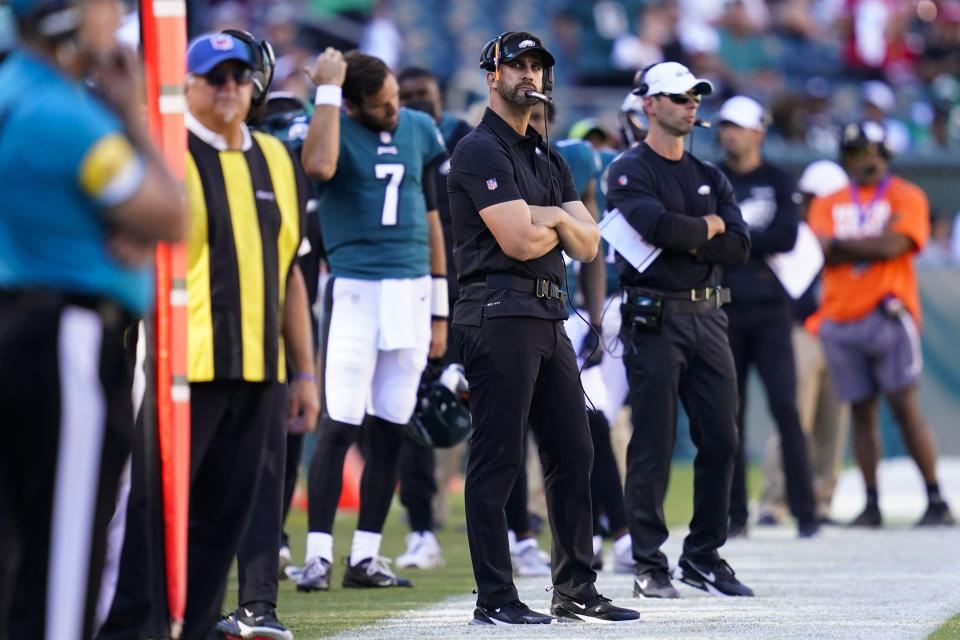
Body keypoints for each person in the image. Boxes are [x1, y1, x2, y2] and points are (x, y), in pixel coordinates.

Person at [98, 31, 318, 640]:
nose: (228, 88)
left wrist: (304, 372)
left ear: (254, 85)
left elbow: (290, 274)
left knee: (225, 522)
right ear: (186, 85)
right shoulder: (163, 154)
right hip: (177, 368)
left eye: (238, 77)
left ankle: (195, 628)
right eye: (213, 77)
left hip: (260, 372)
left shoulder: (277, 158)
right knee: (152, 514)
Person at [0, 1, 185, 638]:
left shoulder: (16, 91)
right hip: (62, 338)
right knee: (64, 567)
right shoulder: (63, 114)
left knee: (22, 557)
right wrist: (131, 113)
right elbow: (170, 214)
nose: (114, 20)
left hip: (28, 330)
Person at [448, 30, 639, 624]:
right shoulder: (479, 149)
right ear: (492, 74)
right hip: (497, 311)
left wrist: (549, 214)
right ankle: (495, 597)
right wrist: (557, 219)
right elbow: (516, 238)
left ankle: (575, 587)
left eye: (537, 66)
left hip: (547, 311)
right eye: (518, 65)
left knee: (575, 448)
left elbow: (587, 245)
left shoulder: (548, 155)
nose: (530, 75)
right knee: (499, 456)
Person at [296, 49, 449, 592]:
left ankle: (365, 556)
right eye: (381, 105)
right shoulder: (328, 123)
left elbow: (431, 215)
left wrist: (439, 308)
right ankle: (316, 556)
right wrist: (329, 95)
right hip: (356, 287)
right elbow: (317, 166)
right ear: (354, 106)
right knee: (339, 423)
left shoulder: (417, 128)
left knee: (390, 426)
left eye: (395, 100)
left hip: (410, 290)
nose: (394, 110)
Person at [605, 61, 754, 599]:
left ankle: (703, 555)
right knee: (653, 441)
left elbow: (738, 244)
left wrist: (694, 233)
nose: (691, 104)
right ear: (649, 103)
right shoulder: (628, 170)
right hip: (657, 317)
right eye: (678, 97)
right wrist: (702, 228)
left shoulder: (710, 175)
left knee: (722, 439)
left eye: (694, 96)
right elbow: (658, 228)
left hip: (709, 315)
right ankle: (648, 560)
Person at [808, 120, 954, 528]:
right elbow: (822, 252)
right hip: (839, 314)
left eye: (870, 151)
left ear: (885, 154)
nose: (863, 160)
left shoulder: (907, 195)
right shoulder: (828, 200)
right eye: (854, 152)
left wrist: (845, 245)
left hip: (888, 312)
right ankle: (871, 503)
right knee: (860, 411)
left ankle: (936, 500)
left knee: (905, 407)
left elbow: (898, 244)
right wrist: (871, 247)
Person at [529, 102, 637, 576]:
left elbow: (592, 248)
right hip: (519, 312)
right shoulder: (491, 160)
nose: (532, 126)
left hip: (567, 315)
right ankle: (523, 538)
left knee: (592, 426)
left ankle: (615, 531)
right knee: (519, 437)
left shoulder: (574, 161)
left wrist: (593, 317)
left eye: (539, 118)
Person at [715, 95, 819, 539]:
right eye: (724, 126)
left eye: (738, 126)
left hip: (772, 311)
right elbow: (711, 238)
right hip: (727, 308)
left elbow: (786, 235)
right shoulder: (713, 178)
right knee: (729, 414)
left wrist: (734, 235)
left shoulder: (777, 178)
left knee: (786, 409)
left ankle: (806, 513)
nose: (729, 133)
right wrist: (741, 238)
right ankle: (736, 515)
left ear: (759, 131)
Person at [392, 66, 473, 571]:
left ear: (442, 95)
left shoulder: (469, 141)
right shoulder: (393, 142)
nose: (418, 102)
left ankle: (518, 530)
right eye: (408, 96)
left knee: (502, 413)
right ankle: (421, 527)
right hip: (417, 295)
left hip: (476, 291)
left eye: (425, 94)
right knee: (416, 415)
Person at [757, 160, 851, 526]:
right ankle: (774, 499)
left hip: (837, 330)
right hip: (801, 331)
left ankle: (822, 498)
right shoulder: (793, 234)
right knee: (794, 417)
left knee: (833, 419)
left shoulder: (845, 237)